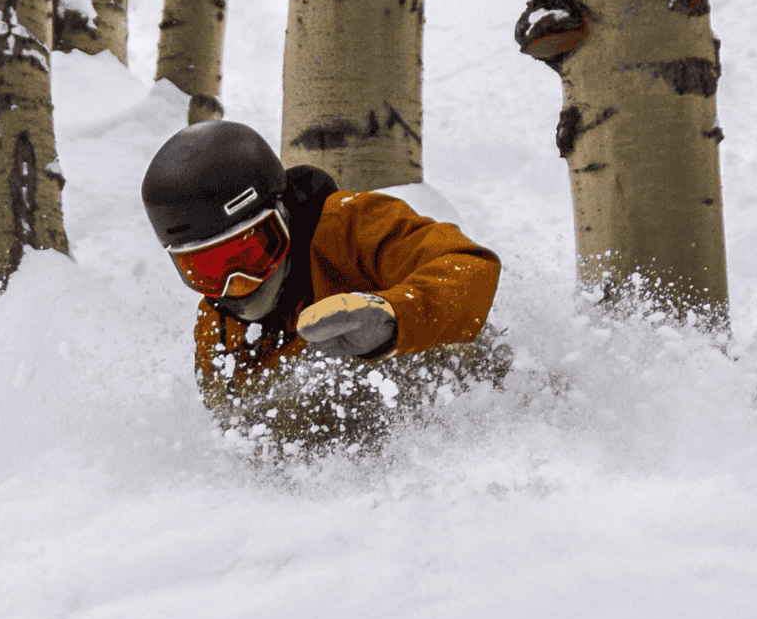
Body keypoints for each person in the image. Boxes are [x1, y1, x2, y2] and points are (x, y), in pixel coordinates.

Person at [141, 120, 503, 429]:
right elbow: (229, 425)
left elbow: (468, 264)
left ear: (281, 214)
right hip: (341, 457)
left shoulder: (350, 225)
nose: (237, 285)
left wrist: (391, 317)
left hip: (451, 405)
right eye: (206, 270)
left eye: (249, 253)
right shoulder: (217, 325)